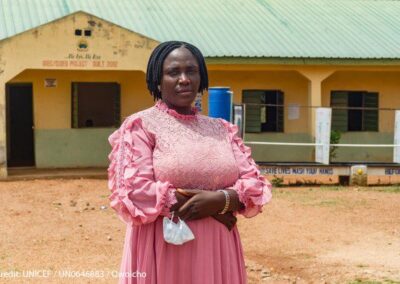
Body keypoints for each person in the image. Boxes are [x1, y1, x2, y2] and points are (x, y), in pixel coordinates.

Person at [108, 41, 272, 284]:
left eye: (191, 71)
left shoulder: (222, 129)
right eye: (173, 72)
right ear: (157, 80)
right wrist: (207, 206)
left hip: (218, 249)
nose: (184, 79)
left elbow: (254, 184)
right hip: (164, 250)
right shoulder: (141, 126)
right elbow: (132, 193)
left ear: (201, 77)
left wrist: (220, 200)